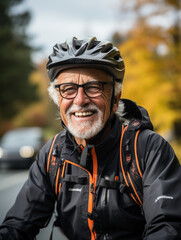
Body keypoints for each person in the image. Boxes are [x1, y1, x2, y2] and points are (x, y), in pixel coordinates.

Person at [0, 36, 181, 240]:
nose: (80, 100)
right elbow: (17, 225)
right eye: (68, 89)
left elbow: (168, 227)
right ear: (58, 100)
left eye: (93, 87)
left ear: (115, 99)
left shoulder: (148, 149)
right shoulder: (53, 154)